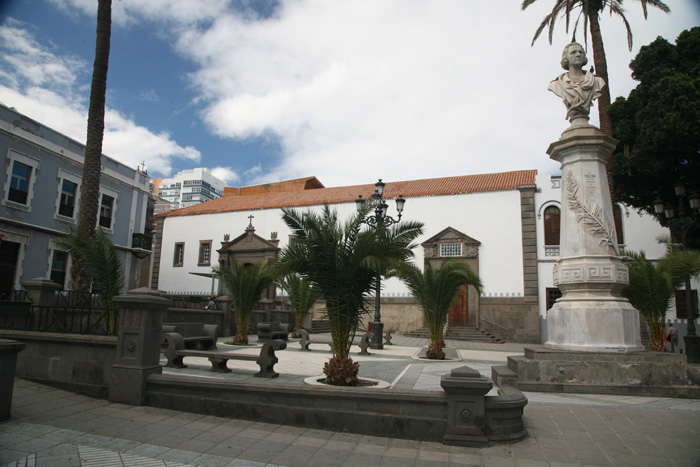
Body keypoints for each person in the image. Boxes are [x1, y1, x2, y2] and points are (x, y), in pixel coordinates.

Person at [548, 42, 605, 125]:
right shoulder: (556, 84)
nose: (578, 55)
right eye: (573, 52)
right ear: (566, 58)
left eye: (581, 52)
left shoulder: (597, 81)